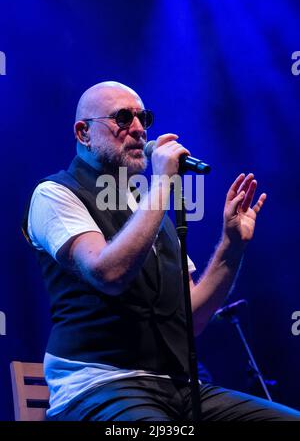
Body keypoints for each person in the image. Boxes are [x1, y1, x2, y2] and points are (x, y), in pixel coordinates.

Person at [23, 81, 300, 421]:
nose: (139, 129)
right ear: (83, 133)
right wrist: (163, 182)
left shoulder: (148, 208)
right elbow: (107, 273)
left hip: (179, 386)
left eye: (144, 118)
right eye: (123, 118)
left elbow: (193, 318)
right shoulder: (55, 194)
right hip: (100, 386)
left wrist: (232, 244)